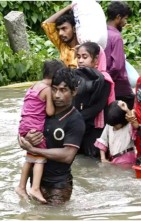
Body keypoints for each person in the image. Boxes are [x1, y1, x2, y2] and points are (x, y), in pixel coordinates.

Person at [18, 67, 85, 205]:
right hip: (35, 182)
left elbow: (67, 155)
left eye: (63, 90)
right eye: (54, 89)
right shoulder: (42, 110)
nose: (57, 95)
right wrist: (24, 140)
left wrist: (35, 150)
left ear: (74, 92)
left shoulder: (75, 120)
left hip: (58, 186)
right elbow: (22, 132)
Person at [15, 60, 64, 203]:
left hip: (24, 126)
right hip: (35, 127)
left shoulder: (33, 86)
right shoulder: (47, 90)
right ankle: (35, 188)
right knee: (40, 158)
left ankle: (21, 186)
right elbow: (49, 111)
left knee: (29, 157)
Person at [104, 1, 135, 109]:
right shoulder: (116, 37)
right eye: (125, 19)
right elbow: (117, 66)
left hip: (105, 82)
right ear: (118, 17)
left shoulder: (101, 33)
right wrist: (109, 79)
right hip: (119, 86)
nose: (125, 22)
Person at [94, 100, 136, 165]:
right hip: (113, 159)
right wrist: (103, 159)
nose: (114, 127)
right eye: (113, 125)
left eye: (116, 125)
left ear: (123, 120)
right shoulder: (110, 125)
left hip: (127, 160)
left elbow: (134, 123)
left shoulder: (129, 126)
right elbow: (103, 141)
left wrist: (127, 110)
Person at [42, 4, 78, 68]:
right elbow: (46, 24)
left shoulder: (83, 48)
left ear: (74, 29)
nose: (60, 33)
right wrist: (68, 7)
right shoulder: (61, 45)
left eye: (64, 28)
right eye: (58, 30)